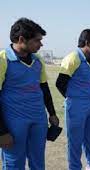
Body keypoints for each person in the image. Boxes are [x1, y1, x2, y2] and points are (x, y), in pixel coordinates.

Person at [0, 18, 59, 169]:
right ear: (21, 39)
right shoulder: (3, 60)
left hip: (38, 119)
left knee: (38, 161)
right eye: (37, 40)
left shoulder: (37, 60)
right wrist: (2, 132)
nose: (41, 44)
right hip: (13, 122)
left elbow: (44, 88)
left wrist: (52, 113)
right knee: (15, 164)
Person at [56, 29, 90, 170]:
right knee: (75, 140)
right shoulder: (73, 58)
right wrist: (72, 99)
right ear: (87, 43)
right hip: (76, 104)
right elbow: (60, 83)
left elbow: (89, 81)